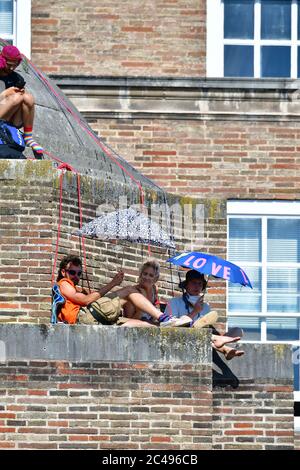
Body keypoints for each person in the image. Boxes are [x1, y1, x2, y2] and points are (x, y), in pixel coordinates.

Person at [55, 255, 191, 327]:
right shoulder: (63, 283)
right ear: (63, 271)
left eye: (79, 273)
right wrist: (114, 283)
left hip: (94, 319)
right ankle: (163, 317)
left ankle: (171, 325)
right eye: (72, 272)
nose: (76, 276)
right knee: (129, 290)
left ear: (155, 278)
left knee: (147, 325)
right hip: (84, 317)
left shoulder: (75, 288)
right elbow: (85, 301)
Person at [165, 269, 245, 360]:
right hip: (180, 340)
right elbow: (169, 326)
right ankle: (225, 349)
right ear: (186, 285)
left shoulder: (206, 307)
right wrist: (195, 311)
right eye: (194, 283)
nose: (197, 286)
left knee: (238, 331)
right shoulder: (174, 302)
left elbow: (208, 329)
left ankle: (222, 344)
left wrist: (219, 334)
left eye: (200, 284)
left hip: (203, 339)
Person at [0, 45, 43, 158]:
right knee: (16, 98)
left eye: (15, 65)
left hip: (10, 119)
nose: (11, 68)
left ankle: (28, 136)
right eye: (9, 64)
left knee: (27, 97)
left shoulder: (16, 78)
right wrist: (5, 94)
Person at [123, 259, 161, 324]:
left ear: (155, 279)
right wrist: (141, 308)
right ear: (140, 275)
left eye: (151, 275)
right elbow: (128, 323)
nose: (147, 277)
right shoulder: (133, 293)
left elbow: (156, 310)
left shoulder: (154, 289)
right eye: (145, 274)